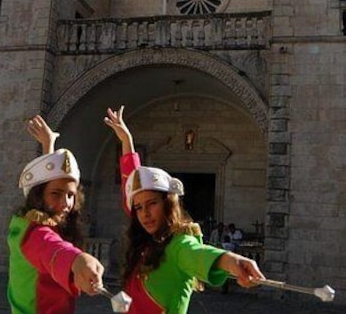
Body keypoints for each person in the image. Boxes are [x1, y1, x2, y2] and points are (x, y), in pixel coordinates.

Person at [103, 105, 265, 314]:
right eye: (139, 207)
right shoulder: (146, 240)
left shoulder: (178, 246)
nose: (145, 213)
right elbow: (134, 186)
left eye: (153, 203)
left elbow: (199, 253)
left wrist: (235, 261)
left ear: (168, 205)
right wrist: (127, 142)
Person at [8, 115, 105, 314]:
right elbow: (49, 247)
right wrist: (77, 260)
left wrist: (48, 145)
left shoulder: (49, 222)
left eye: (70, 195)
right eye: (56, 195)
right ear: (37, 196)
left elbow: (50, 181)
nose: (65, 204)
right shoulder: (30, 230)